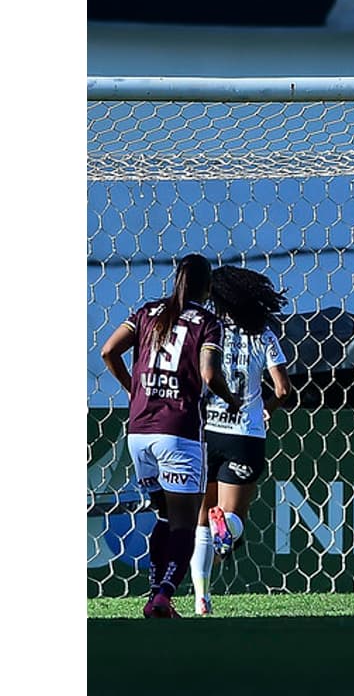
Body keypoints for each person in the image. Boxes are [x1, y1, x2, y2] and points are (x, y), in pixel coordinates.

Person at [100, 254, 241, 619]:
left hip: (139, 433)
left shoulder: (148, 313)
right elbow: (209, 375)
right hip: (178, 432)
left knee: (163, 516)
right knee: (185, 520)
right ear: (207, 287)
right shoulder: (208, 323)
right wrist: (231, 399)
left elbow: (108, 351)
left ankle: (153, 592)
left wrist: (134, 390)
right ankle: (163, 595)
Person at [190, 266, 294, 616]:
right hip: (245, 435)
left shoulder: (209, 331)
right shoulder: (264, 335)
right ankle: (228, 524)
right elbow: (283, 389)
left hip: (206, 432)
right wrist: (268, 408)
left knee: (201, 518)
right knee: (233, 521)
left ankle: (200, 599)